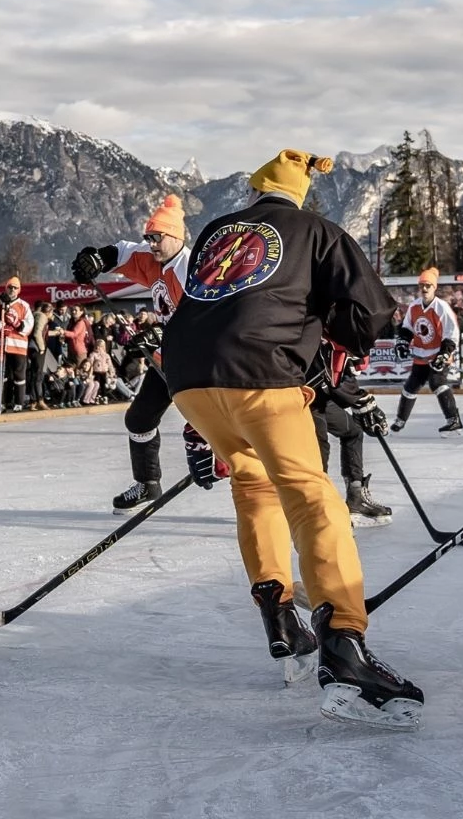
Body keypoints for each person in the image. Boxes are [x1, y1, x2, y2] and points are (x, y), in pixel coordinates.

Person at [162, 147, 422, 729]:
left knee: (253, 488)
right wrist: (330, 344)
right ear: (300, 197)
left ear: (255, 195)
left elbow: (198, 307)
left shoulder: (215, 233)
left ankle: (280, 618)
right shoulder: (317, 230)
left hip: (189, 382)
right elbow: (373, 311)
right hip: (262, 376)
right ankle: (344, 646)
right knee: (311, 498)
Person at [71, 193, 190, 512]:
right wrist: (95, 260)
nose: (151, 243)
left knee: (214, 430)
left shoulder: (191, 268)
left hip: (198, 362)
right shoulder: (153, 259)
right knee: (139, 419)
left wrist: (162, 332)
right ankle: (148, 483)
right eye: (149, 237)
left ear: (176, 236)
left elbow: (203, 319)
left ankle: (259, 486)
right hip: (167, 358)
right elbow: (121, 252)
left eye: (157, 237)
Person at [307, 341, 393, 527]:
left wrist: (359, 402)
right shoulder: (321, 327)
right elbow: (332, 370)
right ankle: (315, 511)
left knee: (353, 431)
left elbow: (340, 373)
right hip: (301, 394)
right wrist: (359, 400)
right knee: (318, 451)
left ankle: (356, 498)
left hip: (319, 395)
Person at [389, 267, 463, 437]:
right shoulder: (414, 307)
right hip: (421, 355)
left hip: (438, 355)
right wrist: (402, 344)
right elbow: (407, 329)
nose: (424, 289)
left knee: (437, 381)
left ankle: (454, 420)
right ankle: (400, 420)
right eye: (421, 285)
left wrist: (444, 354)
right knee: (411, 386)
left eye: (428, 285)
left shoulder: (441, 308)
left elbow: (452, 333)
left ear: (434, 287)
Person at [0, 277, 33, 412]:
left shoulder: (24, 305)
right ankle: (2, 402)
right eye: (10, 287)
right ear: (6, 288)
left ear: (19, 290)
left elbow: (29, 325)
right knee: (1, 376)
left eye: (15, 288)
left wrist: (17, 323)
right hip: (2, 345)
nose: (12, 290)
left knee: (18, 375)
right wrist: (2, 321)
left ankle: (19, 402)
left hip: (18, 345)